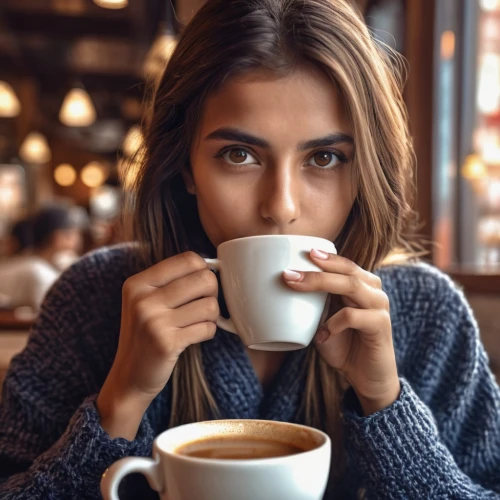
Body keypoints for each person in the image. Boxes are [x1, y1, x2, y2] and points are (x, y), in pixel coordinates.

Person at [0, 0, 499, 498]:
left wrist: (386, 404)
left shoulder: (429, 314)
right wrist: (122, 400)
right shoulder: (94, 298)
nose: (280, 206)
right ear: (186, 167)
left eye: (324, 157)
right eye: (238, 155)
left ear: (365, 171)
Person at [0, 204, 86, 312]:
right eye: (74, 233)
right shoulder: (40, 273)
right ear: (57, 237)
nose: (78, 239)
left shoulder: (20, 263)